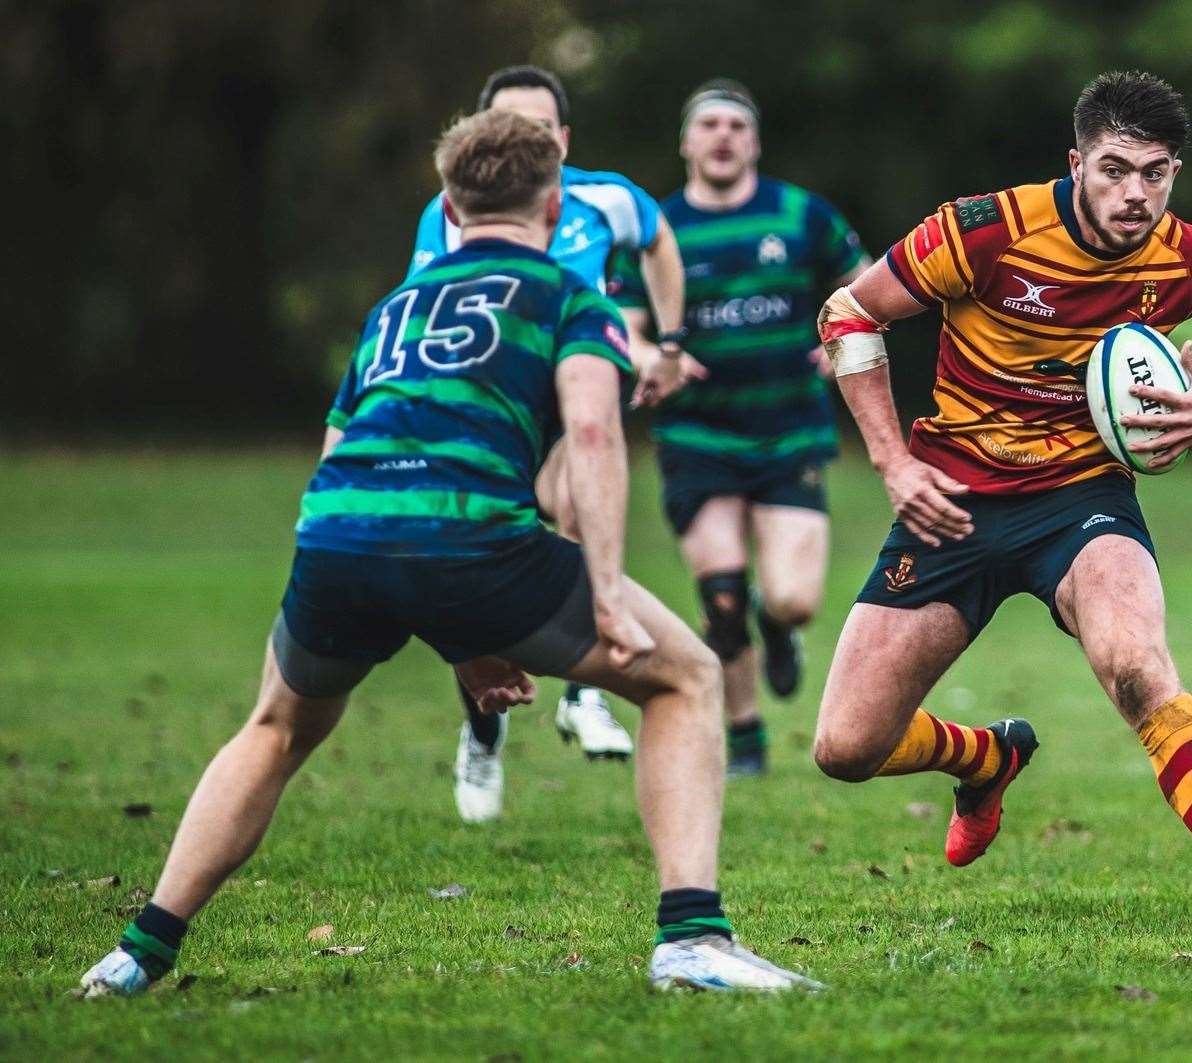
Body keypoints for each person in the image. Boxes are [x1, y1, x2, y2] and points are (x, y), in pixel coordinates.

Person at [80, 110, 818, 996]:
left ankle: (138, 952)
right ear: (555, 209)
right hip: (473, 539)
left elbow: (340, 446)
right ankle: (692, 939)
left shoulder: (395, 306)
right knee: (686, 676)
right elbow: (591, 434)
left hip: (338, 534)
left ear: (448, 207)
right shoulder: (567, 297)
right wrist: (609, 588)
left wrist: (462, 637)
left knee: (275, 728)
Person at [810, 71, 1192, 930]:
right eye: (1116, 169)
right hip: (953, 498)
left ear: (1175, 173)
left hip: (1082, 500)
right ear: (1076, 161)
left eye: (1156, 173)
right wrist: (893, 462)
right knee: (846, 747)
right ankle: (989, 757)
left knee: (1135, 662)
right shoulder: (986, 230)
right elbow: (849, 314)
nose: (1136, 194)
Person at [409, 65, 693, 822]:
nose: (523, 140)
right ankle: (484, 726)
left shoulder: (603, 197)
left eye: (538, 127)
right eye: (507, 124)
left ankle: (583, 693)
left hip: (573, 402)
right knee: (479, 577)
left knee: (580, 489)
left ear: (563, 139)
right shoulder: (450, 213)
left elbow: (659, 240)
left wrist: (669, 341)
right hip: (490, 420)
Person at [614, 80, 870, 775]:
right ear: (687, 142)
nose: (722, 135)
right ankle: (746, 736)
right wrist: (654, 360)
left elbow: (870, 283)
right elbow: (625, 331)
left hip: (790, 431)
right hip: (698, 435)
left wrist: (842, 336)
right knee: (720, 594)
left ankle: (779, 627)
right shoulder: (659, 230)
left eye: (735, 125)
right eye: (709, 125)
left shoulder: (799, 214)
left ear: (753, 142)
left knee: (791, 597)